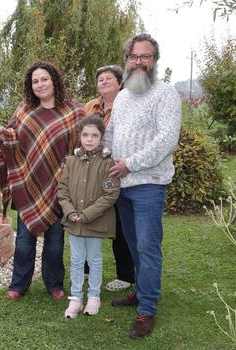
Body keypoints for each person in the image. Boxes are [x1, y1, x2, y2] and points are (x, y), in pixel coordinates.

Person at [103, 33, 181, 338]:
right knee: (134, 245)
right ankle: (141, 290)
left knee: (148, 247)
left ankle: (147, 308)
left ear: (154, 61)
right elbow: (110, 133)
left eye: (145, 57)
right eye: (134, 56)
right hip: (122, 185)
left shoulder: (166, 94)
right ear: (127, 60)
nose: (139, 62)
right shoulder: (122, 96)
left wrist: (130, 164)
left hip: (149, 183)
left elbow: (167, 139)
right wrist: (97, 156)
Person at [0, 61, 85, 301]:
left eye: (44, 79)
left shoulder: (73, 111)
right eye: (35, 81)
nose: (40, 84)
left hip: (60, 185)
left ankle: (53, 283)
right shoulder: (24, 112)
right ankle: (19, 284)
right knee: (24, 240)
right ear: (30, 86)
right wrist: (3, 133)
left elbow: (84, 142)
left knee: (55, 241)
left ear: (54, 81)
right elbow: (12, 139)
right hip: (29, 185)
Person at [58, 114, 120, 318]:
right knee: (76, 260)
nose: (89, 139)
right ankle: (76, 298)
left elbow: (110, 194)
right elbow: (62, 190)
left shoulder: (108, 163)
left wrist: (86, 214)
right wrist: (71, 212)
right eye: (85, 134)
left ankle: (94, 297)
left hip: (95, 221)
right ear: (80, 137)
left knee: (94, 259)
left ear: (101, 137)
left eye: (94, 135)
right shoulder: (71, 161)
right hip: (74, 221)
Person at [85, 65, 135, 293]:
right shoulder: (89, 107)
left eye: (109, 78)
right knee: (89, 219)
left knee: (121, 226)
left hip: (119, 172)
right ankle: (86, 270)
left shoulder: (128, 105)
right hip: (92, 173)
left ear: (120, 83)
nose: (103, 82)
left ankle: (125, 275)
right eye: (100, 79)